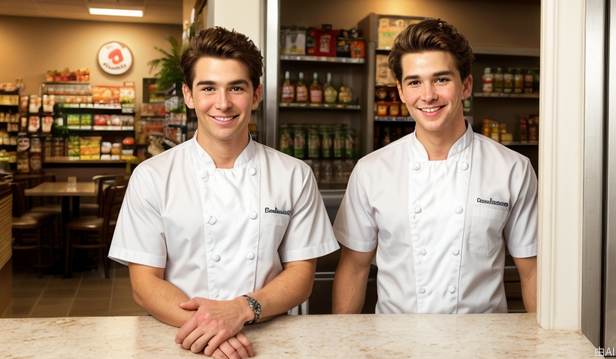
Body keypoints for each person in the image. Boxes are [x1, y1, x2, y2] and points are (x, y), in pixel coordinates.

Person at [109, 27, 338, 358]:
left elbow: (301, 276)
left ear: (256, 94)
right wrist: (214, 329)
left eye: (236, 88)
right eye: (208, 88)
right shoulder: (152, 177)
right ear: (189, 95)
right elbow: (144, 285)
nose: (223, 103)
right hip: (181, 338)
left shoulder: (293, 175)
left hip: (269, 337)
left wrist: (242, 310)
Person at [332, 18, 537, 315]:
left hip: (483, 346)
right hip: (395, 344)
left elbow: (531, 271)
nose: (427, 95)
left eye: (441, 79)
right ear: (401, 92)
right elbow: (354, 267)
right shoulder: (371, 171)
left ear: (465, 86)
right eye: (415, 82)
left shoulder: (512, 169)